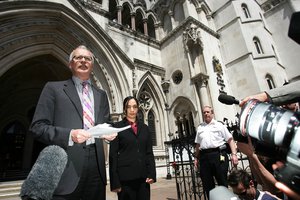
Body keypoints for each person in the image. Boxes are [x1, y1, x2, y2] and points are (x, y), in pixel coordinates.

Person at [30, 45, 116, 200]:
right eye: (78, 57)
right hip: (65, 169)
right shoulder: (53, 88)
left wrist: (109, 132)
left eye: (88, 58)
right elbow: (38, 127)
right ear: (70, 64)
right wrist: (69, 135)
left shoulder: (101, 95)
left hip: (97, 171)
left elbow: (106, 123)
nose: (83, 60)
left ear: (92, 65)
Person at [109, 96, 156, 200]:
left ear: (138, 108)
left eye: (134, 107)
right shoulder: (117, 127)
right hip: (125, 181)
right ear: (124, 109)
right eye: (129, 107)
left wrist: (152, 174)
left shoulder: (145, 128)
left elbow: (149, 153)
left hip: (143, 179)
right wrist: (115, 183)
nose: (132, 110)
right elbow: (113, 155)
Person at [194, 105, 239, 199]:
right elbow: (198, 145)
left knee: (222, 182)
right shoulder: (200, 128)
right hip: (204, 157)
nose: (206, 114)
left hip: (219, 155)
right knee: (207, 184)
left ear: (212, 113)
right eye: (204, 112)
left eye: (208, 112)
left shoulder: (219, 125)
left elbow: (230, 140)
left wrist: (234, 154)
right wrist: (196, 158)